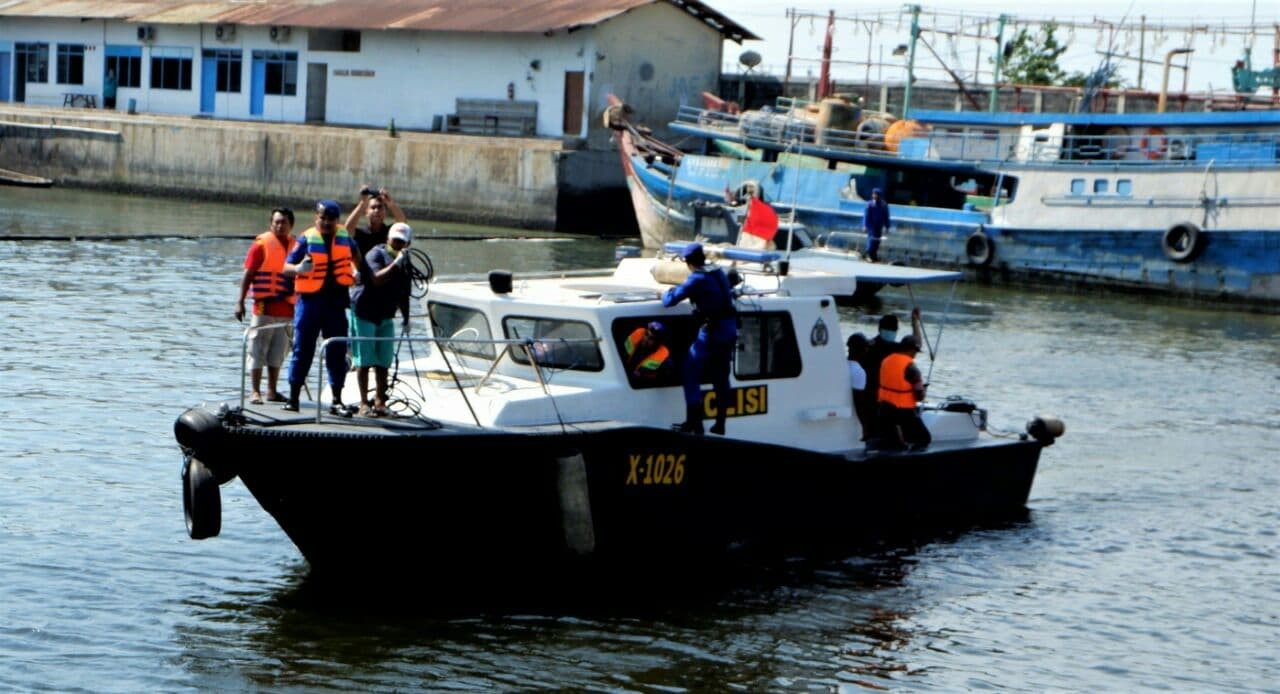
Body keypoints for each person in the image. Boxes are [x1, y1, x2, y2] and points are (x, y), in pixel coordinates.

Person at [282, 199, 358, 414]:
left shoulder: (345, 239)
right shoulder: (306, 239)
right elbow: (285, 267)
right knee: (302, 350)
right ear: (316, 217)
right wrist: (298, 268)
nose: (326, 222)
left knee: (337, 351)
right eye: (322, 218)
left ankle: (336, 400)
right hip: (310, 303)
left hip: (336, 303)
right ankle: (293, 398)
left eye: (330, 219)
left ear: (337, 220)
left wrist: (357, 271)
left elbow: (358, 258)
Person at [662, 242, 737, 435]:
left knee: (689, 370)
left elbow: (670, 301)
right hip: (729, 329)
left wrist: (664, 292)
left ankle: (694, 422)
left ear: (688, 262)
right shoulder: (718, 271)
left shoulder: (697, 278)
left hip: (712, 331)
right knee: (721, 376)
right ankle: (720, 423)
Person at [349, 222, 414, 417]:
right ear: (388, 238)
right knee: (365, 359)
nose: (397, 244)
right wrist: (396, 264)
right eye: (395, 239)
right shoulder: (375, 254)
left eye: (402, 242)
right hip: (364, 311)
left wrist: (406, 318)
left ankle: (380, 402)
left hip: (386, 314)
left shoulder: (406, 261)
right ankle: (363, 403)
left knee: (384, 360)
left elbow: (405, 293)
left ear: (407, 243)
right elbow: (376, 279)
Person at [234, 207, 296, 405]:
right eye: (276, 222)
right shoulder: (260, 246)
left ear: (290, 225)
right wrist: (240, 301)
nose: (279, 226)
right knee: (257, 348)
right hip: (264, 306)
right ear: (271, 224)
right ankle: (254, 391)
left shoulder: (297, 247)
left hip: (287, 308)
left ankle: (272, 390)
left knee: (278, 351)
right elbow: (248, 274)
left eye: (283, 222)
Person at [858, 309, 922, 442]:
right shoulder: (869, 346)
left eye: (894, 329)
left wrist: (915, 322)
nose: (891, 332)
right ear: (880, 329)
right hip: (871, 395)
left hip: (888, 400)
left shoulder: (896, 348)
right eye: (888, 328)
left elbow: (915, 344)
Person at [877, 335, 931, 450]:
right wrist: (923, 391)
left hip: (884, 408)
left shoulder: (886, 360)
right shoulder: (911, 368)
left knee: (894, 441)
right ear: (912, 350)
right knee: (924, 438)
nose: (915, 355)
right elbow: (919, 396)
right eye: (915, 352)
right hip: (903, 411)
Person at [345, 185, 407, 258]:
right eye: (373, 207)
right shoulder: (360, 233)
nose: (376, 211)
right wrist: (362, 203)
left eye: (380, 207)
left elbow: (402, 222)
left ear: (385, 212)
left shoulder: (390, 232)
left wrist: (390, 203)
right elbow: (347, 229)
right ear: (366, 213)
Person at [846, 332, 872, 434]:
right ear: (862, 350)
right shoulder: (859, 371)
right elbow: (859, 401)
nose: (867, 350)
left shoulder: (842, 366)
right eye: (866, 348)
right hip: (852, 416)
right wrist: (864, 425)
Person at [863, 187, 891, 262]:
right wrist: (865, 225)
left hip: (879, 225)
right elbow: (866, 216)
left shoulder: (883, 205)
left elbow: (886, 216)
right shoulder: (870, 204)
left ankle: (874, 255)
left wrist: (887, 226)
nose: (875, 196)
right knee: (871, 240)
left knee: (877, 241)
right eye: (874, 194)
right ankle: (868, 254)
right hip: (871, 226)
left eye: (877, 194)